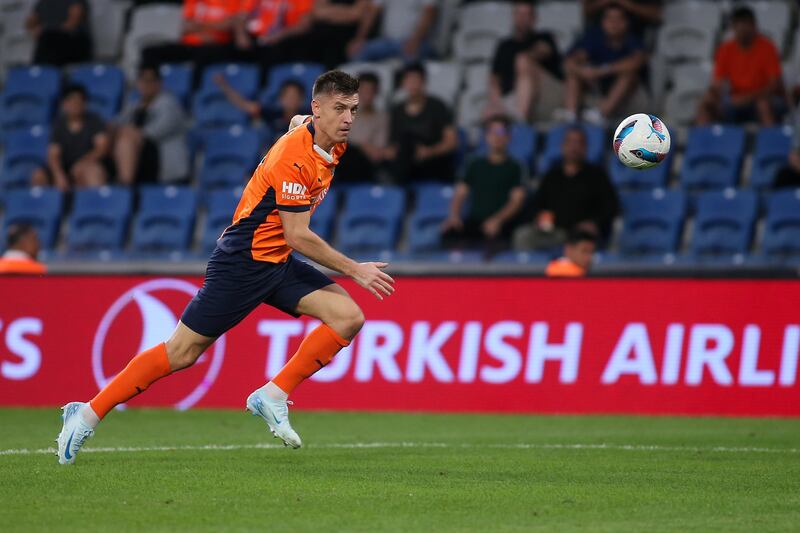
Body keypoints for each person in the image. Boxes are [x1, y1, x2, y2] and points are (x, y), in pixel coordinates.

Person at [56, 70, 396, 465]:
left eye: (354, 109)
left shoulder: (325, 139)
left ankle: (271, 395)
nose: (349, 118)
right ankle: (84, 415)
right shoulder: (295, 157)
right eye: (340, 109)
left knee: (347, 317)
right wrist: (355, 269)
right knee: (181, 353)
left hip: (277, 262)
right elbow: (298, 235)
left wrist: (299, 126)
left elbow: (295, 124)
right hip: (242, 262)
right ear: (317, 108)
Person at [513, 126, 618, 251]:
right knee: (523, 236)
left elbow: (611, 207)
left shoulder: (597, 176)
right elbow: (537, 205)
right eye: (570, 142)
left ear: (585, 148)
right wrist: (540, 218)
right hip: (554, 232)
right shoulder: (551, 176)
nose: (574, 147)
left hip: (582, 234)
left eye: (578, 143)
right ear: (562, 146)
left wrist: (594, 223)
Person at [441, 116, 526, 255]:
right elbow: (460, 193)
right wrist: (454, 216)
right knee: (449, 234)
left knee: (495, 242)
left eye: (501, 133)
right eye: (493, 133)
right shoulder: (475, 165)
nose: (497, 137)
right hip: (476, 222)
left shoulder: (516, 167)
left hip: (503, 224)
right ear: (486, 137)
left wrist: (498, 220)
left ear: (508, 137)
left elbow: (517, 201)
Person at [696, 7, 784, 127]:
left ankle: (769, 142)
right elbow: (718, 83)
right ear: (733, 28)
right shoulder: (726, 49)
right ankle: (706, 143)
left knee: (763, 105)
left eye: (746, 25)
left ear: (754, 26)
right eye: (738, 26)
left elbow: (774, 86)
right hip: (735, 101)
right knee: (707, 104)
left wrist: (746, 99)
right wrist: (711, 95)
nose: (742, 30)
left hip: (764, 99)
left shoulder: (767, 48)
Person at [560, 3, 647, 124]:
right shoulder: (594, 37)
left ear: (626, 23)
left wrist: (602, 70)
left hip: (630, 98)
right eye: (609, 18)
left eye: (618, 19)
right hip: (598, 90)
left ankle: (601, 114)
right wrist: (583, 71)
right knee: (573, 74)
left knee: (629, 75)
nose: (613, 23)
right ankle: (570, 116)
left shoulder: (633, 39)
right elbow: (569, 62)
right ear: (603, 22)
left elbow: (636, 62)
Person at [485, 1, 563, 122]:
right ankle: (507, 131)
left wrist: (528, 56)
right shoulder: (504, 46)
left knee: (523, 60)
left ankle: (520, 123)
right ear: (513, 16)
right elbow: (495, 79)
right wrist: (497, 104)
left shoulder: (545, 37)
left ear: (534, 18)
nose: (522, 19)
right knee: (488, 115)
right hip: (513, 98)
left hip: (545, 97)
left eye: (526, 15)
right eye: (519, 14)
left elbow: (544, 50)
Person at [141, 0, 249, 87]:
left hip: (218, 46)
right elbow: (185, 27)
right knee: (150, 51)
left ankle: (194, 94)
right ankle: (149, 88)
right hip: (191, 44)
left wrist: (200, 27)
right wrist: (212, 28)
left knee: (203, 54)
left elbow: (233, 24)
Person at [113, 66, 189, 185]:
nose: (146, 85)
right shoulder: (134, 105)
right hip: (139, 163)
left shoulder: (170, 104)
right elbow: (116, 123)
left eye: (151, 81)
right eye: (143, 81)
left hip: (161, 165)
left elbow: (155, 131)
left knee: (126, 140)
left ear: (160, 83)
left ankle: (124, 185)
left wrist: (130, 132)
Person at [384, 63, 457, 184]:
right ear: (403, 83)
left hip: (433, 161)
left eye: (416, 80)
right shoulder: (397, 110)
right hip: (406, 161)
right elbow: (393, 144)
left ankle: (396, 187)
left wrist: (429, 152)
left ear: (424, 82)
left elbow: (451, 142)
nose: (412, 85)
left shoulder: (438, 106)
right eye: (408, 80)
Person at [31, 84, 110, 191]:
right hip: (65, 167)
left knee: (92, 172)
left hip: (87, 164)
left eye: (79, 101)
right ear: (65, 104)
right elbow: (53, 154)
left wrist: (82, 163)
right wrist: (59, 175)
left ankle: (95, 205)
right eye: (71, 101)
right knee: (38, 176)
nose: (75, 105)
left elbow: (101, 148)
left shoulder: (94, 121)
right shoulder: (58, 124)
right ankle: (42, 206)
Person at [213, 74, 308, 139]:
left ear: (301, 99)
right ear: (280, 98)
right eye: (287, 96)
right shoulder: (273, 114)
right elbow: (246, 106)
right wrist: (224, 86)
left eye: (295, 96)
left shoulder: (309, 118)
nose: (290, 100)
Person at [335, 72, 388, 183]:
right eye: (363, 91)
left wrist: (364, 148)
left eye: (370, 91)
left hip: (367, 164)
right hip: (345, 160)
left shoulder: (382, 117)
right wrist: (363, 146)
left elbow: (378, 149)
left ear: (376, 93)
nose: (366, 95)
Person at [347, 0, 438, 62]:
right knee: (358, 52)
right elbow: (372, 12)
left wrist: (415, 41)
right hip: (387, 41)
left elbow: (429, 14)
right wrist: (359, 39)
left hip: (417, 42)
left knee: (411, 62)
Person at [26, 0, 92, 66]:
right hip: (49, 44)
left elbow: (72, 24)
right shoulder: (43, 2)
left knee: (48, 37)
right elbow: (32, 21)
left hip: (74, 43)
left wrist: (46, 30)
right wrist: (34, 29)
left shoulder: (77, 1)